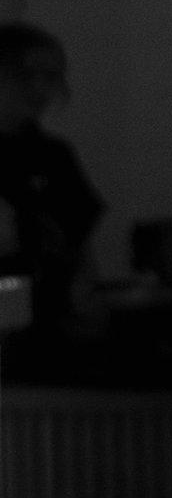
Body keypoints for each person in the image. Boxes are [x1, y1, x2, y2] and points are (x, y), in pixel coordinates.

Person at [0, 22, 103, 335]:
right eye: (27, 75)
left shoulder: (53, 154)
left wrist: (86, 295)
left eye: (52, 77)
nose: (41, 89)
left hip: (51, 320)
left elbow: (79, 240)